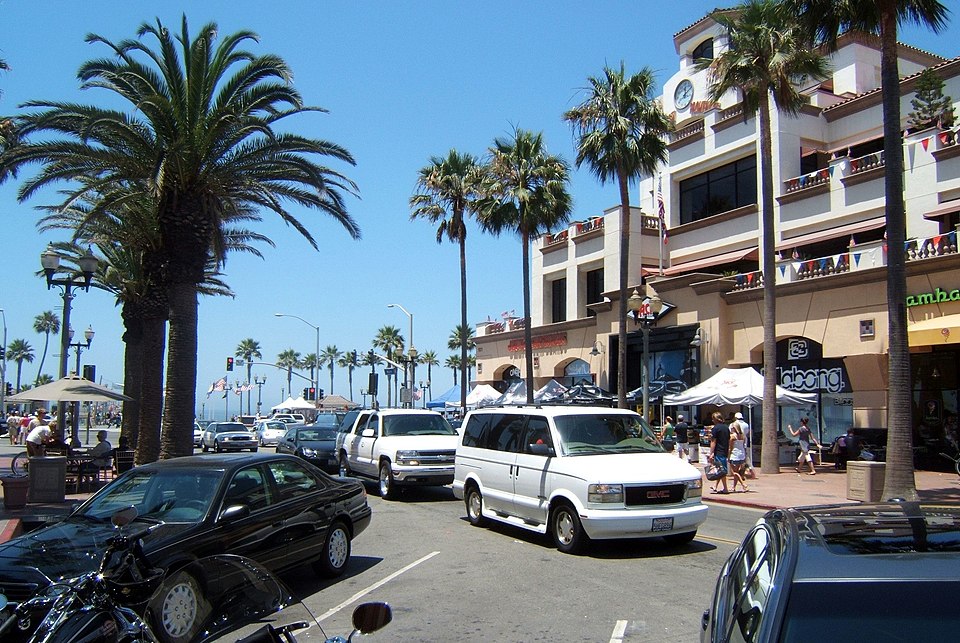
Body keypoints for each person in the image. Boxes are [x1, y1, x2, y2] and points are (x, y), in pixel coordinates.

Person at [708, 411, 731, 494]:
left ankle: (725, 488)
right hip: (724, 450)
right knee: (720, 469)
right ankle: (716, 486)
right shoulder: (726, 428)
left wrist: (711, 453)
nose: (712, 420)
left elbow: (713, 442)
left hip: (719, 451)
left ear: (716, 419)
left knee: (721, 470)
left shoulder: (715, 428)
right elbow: (728, 441)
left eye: (713, 418)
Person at [728, 416, 749, 492]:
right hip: (741, 454)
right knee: (737, 472)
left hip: (734, 455)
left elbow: (730, 447)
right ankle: (734, 487)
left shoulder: (733, 437)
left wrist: (728, 455)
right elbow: (744, 445)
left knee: (734, 472)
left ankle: (743, 484)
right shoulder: (743, 436)